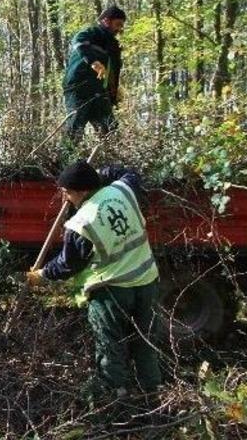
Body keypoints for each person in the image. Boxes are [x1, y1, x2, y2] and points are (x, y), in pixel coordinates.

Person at [27, 160, 161, 403]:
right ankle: (151, 392)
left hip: (111, 292)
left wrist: (43, 274)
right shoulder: (123, 189)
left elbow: (68, 264)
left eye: (67, 192)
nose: (66, 198)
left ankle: (115, 394)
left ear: (82, 191)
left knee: (111, 344)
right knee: (144, 338)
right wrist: (100, 173)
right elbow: (129, 171)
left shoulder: (83, 222)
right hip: (146, 280)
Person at [63, 6, 126, 143]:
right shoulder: (91, 32)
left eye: (122, 25)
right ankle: (64, 162)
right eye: (117, 24)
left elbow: (113, 71)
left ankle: (112, 163)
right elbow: (78, 41)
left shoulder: (114, 46)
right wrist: (93, 62)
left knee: (110, 130)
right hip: (79, 88)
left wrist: (114, 92)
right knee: (75, 128)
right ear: (106, 21)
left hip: (100, 92)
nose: (119, 29)